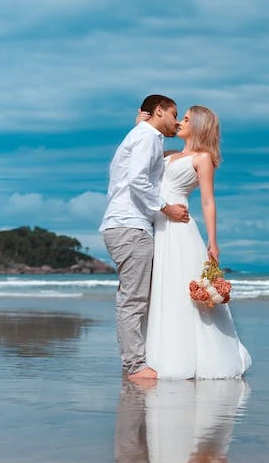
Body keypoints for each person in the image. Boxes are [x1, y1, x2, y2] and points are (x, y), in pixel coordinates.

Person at [141, 105, 252, 379]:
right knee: (163, 291)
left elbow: (207, 200)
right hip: (160, 228)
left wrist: (213, 243)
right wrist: (142, 123)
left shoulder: (203, 158)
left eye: (187, 119)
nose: (179, 122)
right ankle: (159, 355)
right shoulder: (168, 154)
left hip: (180, 228)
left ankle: (197, 358)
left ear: (199, 126)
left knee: (184, 292)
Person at [99, 95, 190, 381]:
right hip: (130, 227)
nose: (176, 121)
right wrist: (167, 208)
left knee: (136, 298)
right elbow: (137, 179)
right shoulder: (148, 137)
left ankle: (137, 360)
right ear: (158, 111)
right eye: (173, 114)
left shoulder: (143, 135)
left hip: (125, 225)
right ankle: (134, 365)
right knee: (133, 300)